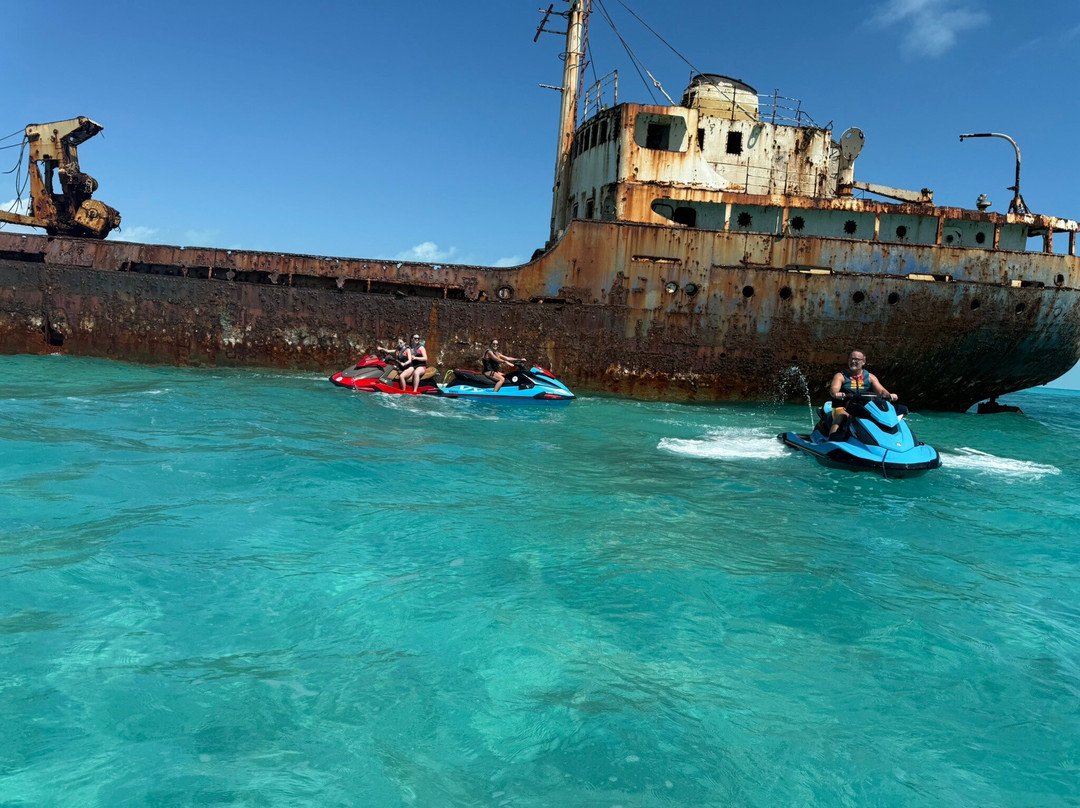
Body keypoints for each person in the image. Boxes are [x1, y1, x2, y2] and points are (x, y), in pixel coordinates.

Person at [828, 350, 897, 439]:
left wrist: (889, 395)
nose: (853, 361)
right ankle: (832, 440)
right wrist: (836, 393)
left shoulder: (870, 377)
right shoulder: (840, 376)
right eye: (851, 359)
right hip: (843, 407)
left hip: (864, 408)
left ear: (863, 362)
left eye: (857, 359)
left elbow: (881, 391)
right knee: (842, 417)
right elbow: (834, 389)